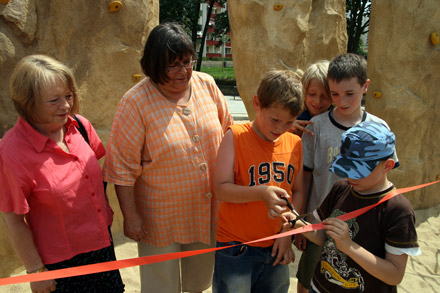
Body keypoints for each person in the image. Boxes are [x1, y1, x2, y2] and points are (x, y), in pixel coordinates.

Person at [103, 22, 233, 293]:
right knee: (161, 286)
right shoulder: (135, 102)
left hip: (206, 210)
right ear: (153, 66)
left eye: (187, 61)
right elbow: (122, 168)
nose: (183, 71)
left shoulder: (206, 84)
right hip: (159, 217)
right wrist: (131, 215)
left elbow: (231, 133)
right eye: (172, 65)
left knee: (198, 281)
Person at [0, 55, 124, 292]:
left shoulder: (80, 126)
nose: (66, 106)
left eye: (68, 96)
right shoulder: (12, 151)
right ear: (28, 102)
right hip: (60, 261)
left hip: (102, 246)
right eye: (54, 100)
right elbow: (13, 219)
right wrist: (35, 270)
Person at [297, 53, 399, 293]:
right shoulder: (317, 126)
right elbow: (307, 177)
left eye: (349, 93)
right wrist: (304, 221)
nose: (341, 101)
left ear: (365, 87)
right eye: (334, 94)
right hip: (321, 222)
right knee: (307, 281)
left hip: (365, 227)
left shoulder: (379, 127)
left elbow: (387, 177)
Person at [287, 121, 420, 292]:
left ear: (387, 165)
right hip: (320, 286)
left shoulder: (398, 210)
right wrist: (297, 224)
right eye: (347, 167)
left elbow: (394, 275)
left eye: (358, 170)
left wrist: (348, 246)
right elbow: (323, 237)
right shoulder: (341, 188)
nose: (350, 176)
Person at [213, 70, 305, 293]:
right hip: (236, 247)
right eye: (275, 119)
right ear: (257, 103)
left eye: (289, 122)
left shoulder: (294, 143)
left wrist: (288, 231)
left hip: (276, 244)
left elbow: (299, 191)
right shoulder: (235, 137)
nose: (280, 128)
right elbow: (220, 189)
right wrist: (260, 192)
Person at [292, 60, 332, 137]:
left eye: (325, 95)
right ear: (303, 91)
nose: (318, 101)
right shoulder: (292, 115)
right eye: (312, 94)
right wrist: (286, 127)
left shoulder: (338, 120)